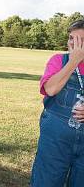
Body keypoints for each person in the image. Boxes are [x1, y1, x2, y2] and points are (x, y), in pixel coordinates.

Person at [31, 19, 84, 186]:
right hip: (55, 140)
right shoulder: (58, 61)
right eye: (71, 38)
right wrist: (73, 62)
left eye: (80, 40)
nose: (73, 44)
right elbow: (51, 89)